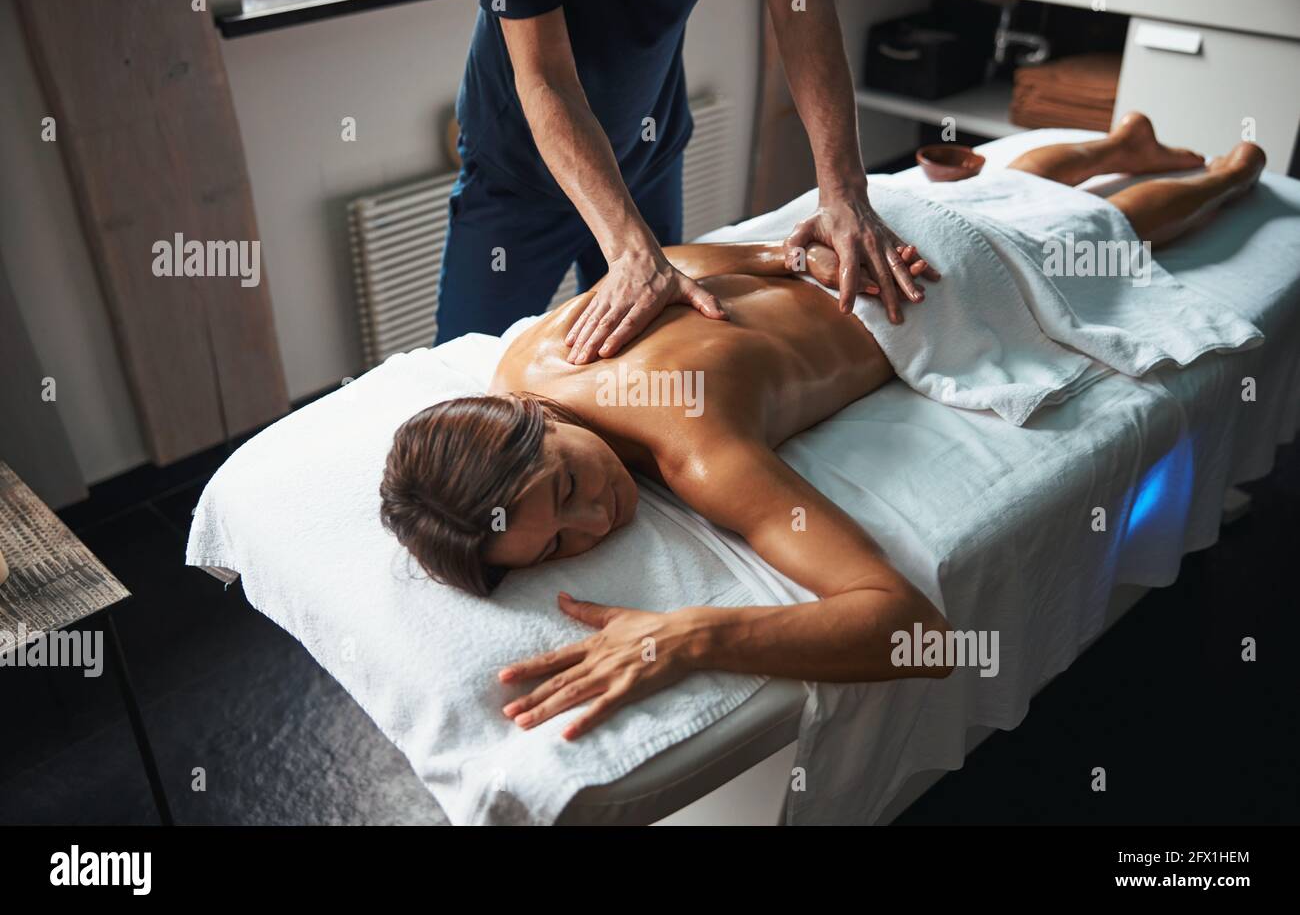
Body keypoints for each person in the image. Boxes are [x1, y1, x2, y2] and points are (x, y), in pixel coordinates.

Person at [385, 115, 1265, 740]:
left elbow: (911, 634)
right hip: (861, 233)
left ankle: (1228, 178)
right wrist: (786, 254)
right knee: (1005, 192)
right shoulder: (527, 359)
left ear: (531, 420)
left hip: (920, 279)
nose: (597, 522)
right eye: (553, 550)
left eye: (567, 488)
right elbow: (685, 265)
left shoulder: (694, 447)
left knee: (1105, 235)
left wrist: (691, 635)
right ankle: (1118, 145)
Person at [438, 0, 931, 360]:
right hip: (518, 178)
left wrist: (843, 192)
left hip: (648, 150)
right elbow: (548, 80)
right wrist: (632, 252)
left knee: (647, 348)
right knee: (466, 371)